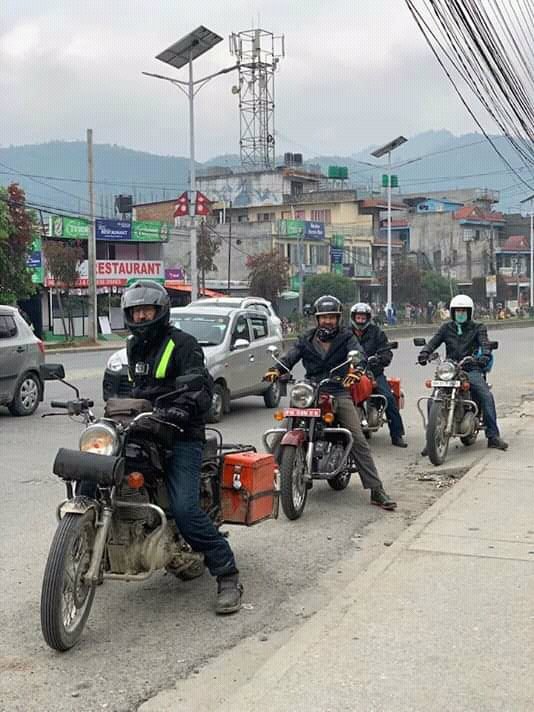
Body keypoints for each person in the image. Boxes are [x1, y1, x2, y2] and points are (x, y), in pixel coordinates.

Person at [121, 280, 243, 614]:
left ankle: (227, 574)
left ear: (160, 312)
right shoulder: (133, 347)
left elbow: (201, 387)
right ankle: (87, 543)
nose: (141, 316)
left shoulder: (184, 344)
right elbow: (129, 387)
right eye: (135, 311)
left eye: (147, 310)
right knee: (98, 474)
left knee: (186, 510)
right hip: (144, 427)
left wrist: (182, 407)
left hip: (182, 434)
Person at [264, 295, 396, 511]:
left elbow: (359, 356)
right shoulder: (306, 338)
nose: (327, 321)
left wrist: (356, 371)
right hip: (310, 390)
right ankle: (265, 483)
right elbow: (291, 356)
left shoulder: (346, 337)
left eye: (331, 317)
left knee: (356, 437)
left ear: (338, 318)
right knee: (281, 433)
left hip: (337, 390)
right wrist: (276, 369)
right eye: (323, 317)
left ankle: (376, 489)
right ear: (317, 319)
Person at [418, 294, 508, 454]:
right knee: (433, 400)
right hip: (450, 368)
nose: (460, 313)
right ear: (452, 312)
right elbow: (433, 342)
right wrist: (425, 352)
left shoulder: (478, 327)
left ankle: (493, 436)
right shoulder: (446, 328)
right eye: (457, 310)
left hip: (470, 367)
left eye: (463, 310)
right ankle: (431, 439)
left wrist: (483, 356)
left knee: (486, 396)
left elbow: (485, 344)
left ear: (469, 312)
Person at [349, 302, 407, 448]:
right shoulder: (345, 333)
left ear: (368, 318)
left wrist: (380, 359)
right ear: (353, 317)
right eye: (358, 317)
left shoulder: (377, 333)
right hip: (350, 372)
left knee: (388, 397)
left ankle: (397, 434)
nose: (360, 320)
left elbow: (386, 351)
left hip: (372, 373)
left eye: (363, 317)